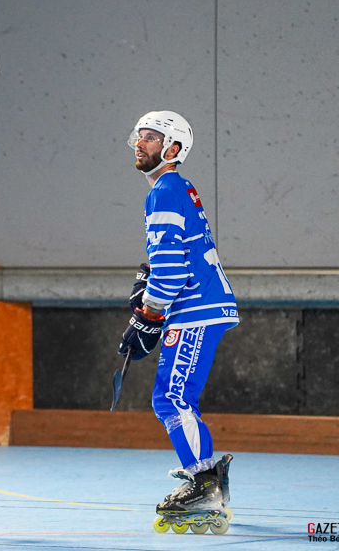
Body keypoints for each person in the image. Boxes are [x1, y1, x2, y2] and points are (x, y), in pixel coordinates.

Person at [119, 111, 238, 534]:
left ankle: (203, 483)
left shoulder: (165, 189)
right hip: (198, 307)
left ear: (172, 150)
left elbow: (172, 265)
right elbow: (172, 258)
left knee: (172, 398)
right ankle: (208, 482)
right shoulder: (173, 188)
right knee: (174, 397)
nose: (141, 142)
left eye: (151, 138)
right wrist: (151, 302)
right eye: (140, 135)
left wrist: (149, 314)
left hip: (196, 309)